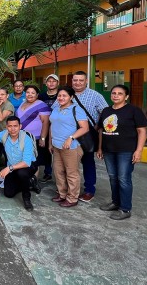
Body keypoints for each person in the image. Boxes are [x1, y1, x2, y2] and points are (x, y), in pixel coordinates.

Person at [53, 70, 108, 202]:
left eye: (81, 80)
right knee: (65, 165)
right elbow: (56, 109)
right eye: (75, 80)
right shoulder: (64, 94)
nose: (77, 83)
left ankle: (89, 190)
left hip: (85, 135)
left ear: (86, 81)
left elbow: (106, 112)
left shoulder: (95, 95)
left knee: (88, 162)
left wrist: (97, 126)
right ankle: (65, 191)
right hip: (64, 136)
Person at [97, 84, 147, 220]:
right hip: (109, 150)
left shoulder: (133, 110)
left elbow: (142, 131)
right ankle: (115, 202)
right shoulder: (106, 111)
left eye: (120, 94)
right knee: (113, 177)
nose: (115, 95)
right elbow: (101, 130)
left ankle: (125, 209)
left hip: (126, 151)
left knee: (124, 179)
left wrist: (138, 150)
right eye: (114, 93)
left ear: (126, 96)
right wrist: (100, 147)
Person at [0, 116, 38, 211]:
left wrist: (8, 168)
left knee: (22, 173)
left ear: (20, 126)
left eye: (15, 126)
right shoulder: (4, 134)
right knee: (8, 194)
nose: (13, 129)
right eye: (10, 126)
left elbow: (26, 163)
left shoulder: (26, 139)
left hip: (27, 166)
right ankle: (29, 182)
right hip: (13, 167)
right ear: (6, 127)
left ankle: (26, 198)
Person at [49, 87, 89, 208]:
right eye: (59, 96)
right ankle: (62, 194)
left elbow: (84, 128)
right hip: (56, 146)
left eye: (64, 96)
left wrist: (71, 138)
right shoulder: (56, 109)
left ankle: (72, 198)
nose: (61, 98)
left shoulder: (76, 109)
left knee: (71, 173)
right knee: (58, 171)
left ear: (71, 97)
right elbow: (52, 126)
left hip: (70, 147)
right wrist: (50, 143)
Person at [16, 85, 51, 179]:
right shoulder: (22, 103)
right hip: (21, 137)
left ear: (37, 95)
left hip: (35, 138)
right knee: (23, 158)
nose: (30, 94)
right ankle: (24, 179)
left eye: (33, 93)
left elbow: (46, 122)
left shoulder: (41, 105)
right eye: (28, 92)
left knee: (34, 161)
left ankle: (33, 181)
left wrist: (43, 138)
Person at [39, 74, 60, 182]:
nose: (51, 83)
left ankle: (61, 176)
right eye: (49, 81)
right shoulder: (41, 96)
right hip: (45, 125)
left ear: (57, 83)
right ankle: (48, 172)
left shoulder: (61, 95)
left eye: (54, 81)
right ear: (46, 83)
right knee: (47, 149)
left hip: (59, 126)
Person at [0, 88, 15, 162]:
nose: (0, 96)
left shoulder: (8, 105)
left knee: (7, 155)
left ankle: (10, 171)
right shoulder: (0, 103)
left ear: (7, 95)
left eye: (2, 94)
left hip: (6, 133)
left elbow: (0, 118)